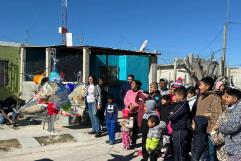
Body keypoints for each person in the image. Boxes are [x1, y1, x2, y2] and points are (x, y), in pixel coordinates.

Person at [196, 76, 222, 161]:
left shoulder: (215, 97)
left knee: (212, 153)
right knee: (202, 151)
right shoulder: (200, 97)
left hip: (210, 130)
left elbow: (217, 114)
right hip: (200, 130)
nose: (199, 87)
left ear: (207, 86)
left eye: (201, 85)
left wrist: (212, 130)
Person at [217, 87, 241, 160]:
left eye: (228, 97)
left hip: (237, 148)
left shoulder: (238, 108)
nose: (225, 99)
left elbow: (232, 126)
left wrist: (220, 127)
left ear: (235, 99)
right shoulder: (236, 107)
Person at [168, 86, 191, 161]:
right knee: (176, 151)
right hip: (177, 130)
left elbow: (171, 116)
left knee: (180, 151)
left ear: (181, 96)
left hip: (180, 131)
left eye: (175, 95)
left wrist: (170, 114)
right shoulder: (179, 104)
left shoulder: (183, 105)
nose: (174, 97)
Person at [124, 80, 142, 147]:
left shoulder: (140, 92)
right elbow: (125, 99)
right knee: (127, 127)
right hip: (128, 112)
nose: (131, 84)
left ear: (137, 85)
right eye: (131, 83)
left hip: (136, 112)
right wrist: (129, 105)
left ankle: (133, 142)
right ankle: (127, 142)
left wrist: (134, 105)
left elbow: (141, 102)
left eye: (133, 83)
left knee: (135, 128)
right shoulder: (128, 91)